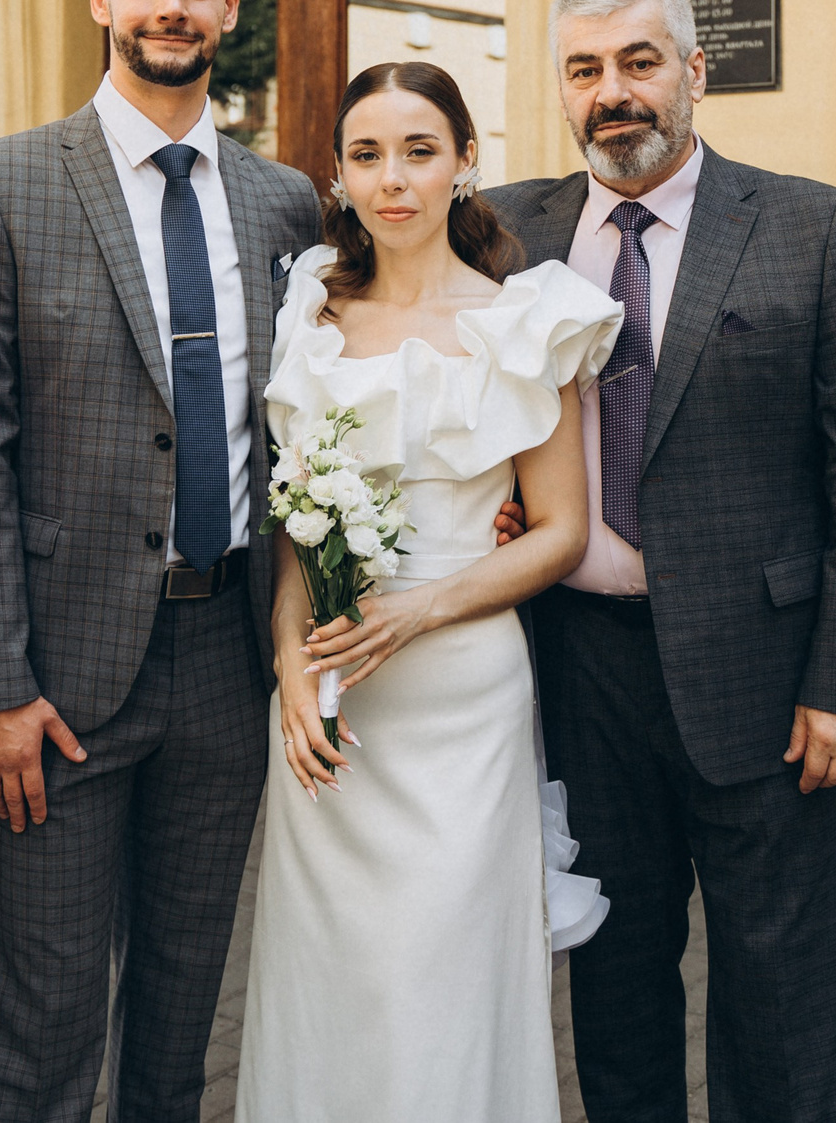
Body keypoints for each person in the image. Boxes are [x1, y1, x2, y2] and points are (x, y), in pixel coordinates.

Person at [486, 0, 836, 1123]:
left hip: (764, 681)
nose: (611, 93)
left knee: (778, 996)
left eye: (637, 62)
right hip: (577, 671)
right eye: (584, 70)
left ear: (693, 73)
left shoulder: (806, 225)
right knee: (616, 985)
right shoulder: (507, 234)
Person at [0, 0, 324, 1123]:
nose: (170, 6)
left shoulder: (286, 202)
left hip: (225, 657)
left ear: (229, 8)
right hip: (60, 671)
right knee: (39, 1025)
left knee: (178, 1006)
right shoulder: (1, 184)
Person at [234, 62, 621, 1123]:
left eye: (418, 151)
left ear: (462, 164)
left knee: (442, 980)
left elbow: (558, 533)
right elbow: (292, 530)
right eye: (366, 154)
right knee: (331, 982)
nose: (392, 178)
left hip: (461, 697)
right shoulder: (308, 314)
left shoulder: (522, 323)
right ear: (338, 174)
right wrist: (289, 667)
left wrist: (421, 607)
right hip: (332, 707)